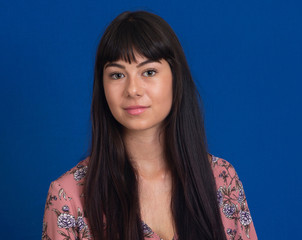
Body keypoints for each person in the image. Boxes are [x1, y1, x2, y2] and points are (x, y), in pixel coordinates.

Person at [42, 10, 257, 240]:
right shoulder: (68, 197)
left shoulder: (222, 180)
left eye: (149, 71)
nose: (133, 89)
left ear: (176, 78)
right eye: (117, 75)